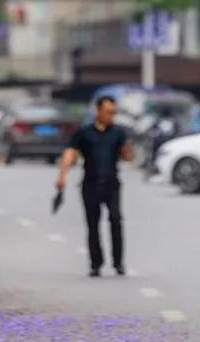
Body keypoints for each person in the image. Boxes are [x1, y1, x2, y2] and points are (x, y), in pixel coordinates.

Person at [56, 95, 134, 277]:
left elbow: (128, 157)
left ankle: (118, 262)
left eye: (113, 113)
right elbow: (69, 153)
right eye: (107, 112)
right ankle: (96, 263)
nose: (110, 116)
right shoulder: (83, 133)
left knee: (116, 219)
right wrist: (62, 176)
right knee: (93, 224)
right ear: (98, 111)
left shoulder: (118, 133)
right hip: (90, 184)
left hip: (112, 184)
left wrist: (128, 150)